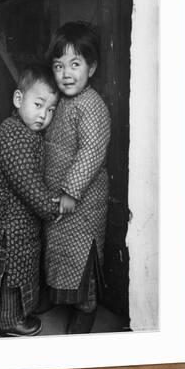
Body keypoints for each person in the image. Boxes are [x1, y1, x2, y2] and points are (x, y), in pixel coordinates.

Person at [0, 64, 61, 337]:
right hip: (3, 225)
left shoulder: (27, 133)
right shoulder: (14, 136)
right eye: (38, 104)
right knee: (11, 272)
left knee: (24, 266)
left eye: (51, 110)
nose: (44, 115)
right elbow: (28, 183)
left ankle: (25, 305)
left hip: (15, 218)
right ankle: (9, 321)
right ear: (19, 99)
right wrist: (50, 206)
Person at [39, 21, 111, 335]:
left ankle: (86, 308)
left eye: (75, 64)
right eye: (59, 65)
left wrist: (71, 190)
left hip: (82, 204)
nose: (66, 73)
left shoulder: (92, 107)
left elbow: (91, 153)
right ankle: (58, 296)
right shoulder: (59, 101)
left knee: (83, 259)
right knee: (56, 252)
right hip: (57, 199)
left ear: (91, 68)